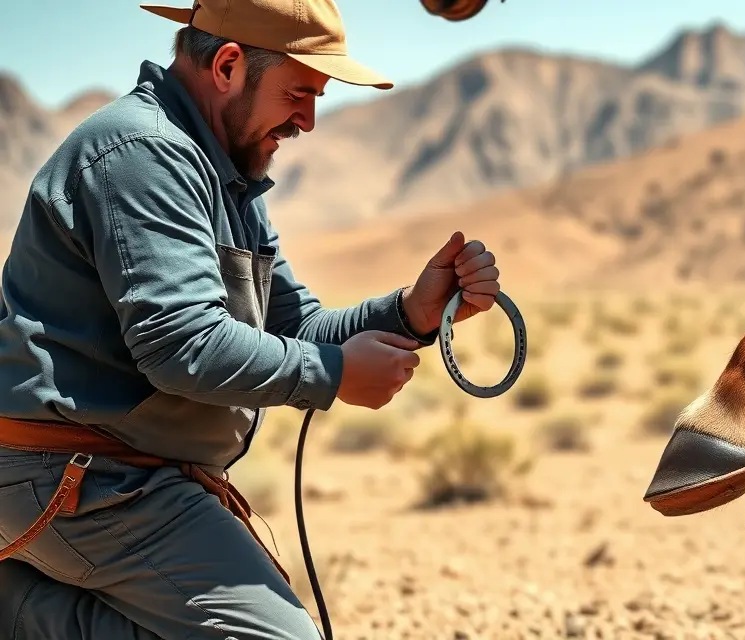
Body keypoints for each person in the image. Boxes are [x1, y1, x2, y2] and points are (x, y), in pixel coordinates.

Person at [0, 1, 502, 638]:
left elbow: (295, 326)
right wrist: (337, 373)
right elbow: (181, 344)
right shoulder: (146, 153)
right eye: (298, 92)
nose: (310, 120)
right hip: (86, 480)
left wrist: (411, 311)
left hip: (123, 475)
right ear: (229, 66)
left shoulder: (224, 169)